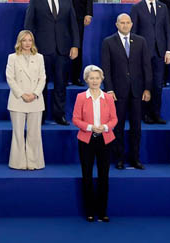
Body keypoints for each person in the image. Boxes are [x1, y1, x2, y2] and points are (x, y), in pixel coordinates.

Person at [22, 0, 79, 126]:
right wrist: (29, 47)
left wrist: (75, 45)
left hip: (63, 50)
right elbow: (28, 25)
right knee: (41, 85)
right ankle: (39, 116)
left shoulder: (66, 0)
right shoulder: (35, 0)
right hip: (41, 50)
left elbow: (73, 25)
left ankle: (59, 115)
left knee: (61, 84)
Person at [99, 13, 151, 169]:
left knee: (136, 127)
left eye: (128, 22)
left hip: (137, 91)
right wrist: (109, 89)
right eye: (122, 22)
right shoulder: (108, 42)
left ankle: (135, 159)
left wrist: (147, 88)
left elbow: (146, 66)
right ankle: (119, 159)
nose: (125, 25)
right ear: (117, 25)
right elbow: (106, 68)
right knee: (118, 126)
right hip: (117, 92)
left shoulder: (141, 41)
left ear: (132, 24)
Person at [72, 65, 116, 222]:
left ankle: (102, 211)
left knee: (104, 176)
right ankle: (89, 211)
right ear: (86, 80)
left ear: (102, 79)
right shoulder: (81, 97)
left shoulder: (108, 98)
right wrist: (90, 127)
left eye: (97, 78)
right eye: (91, 78)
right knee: (87, 175)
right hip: (86, 140)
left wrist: (105, 127)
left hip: (105, 139)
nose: (95, 81)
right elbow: (76, 119)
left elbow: (114, 119)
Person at [131, 0, 170, 124]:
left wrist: (168, 51)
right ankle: (145, 114)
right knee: (145, 84)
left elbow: (167, 30)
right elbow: (133, 32)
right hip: (143, 53)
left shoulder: (163, 7)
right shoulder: (136, 8)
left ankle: (156, 114)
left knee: (158, 85)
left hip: (160, 52)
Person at [5, 30, 45, 170]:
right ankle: (18, 163)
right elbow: (10, 78)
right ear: (19, 42)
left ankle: (34, 162)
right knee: (18, 133)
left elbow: (42, 78)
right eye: (24, 40)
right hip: (18, 100)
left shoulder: (39, 57)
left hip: (35, 100)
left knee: (34, 134)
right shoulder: (12, 57)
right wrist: (22, 94)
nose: (27, 43)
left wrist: (34, 94)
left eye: (30, 40)